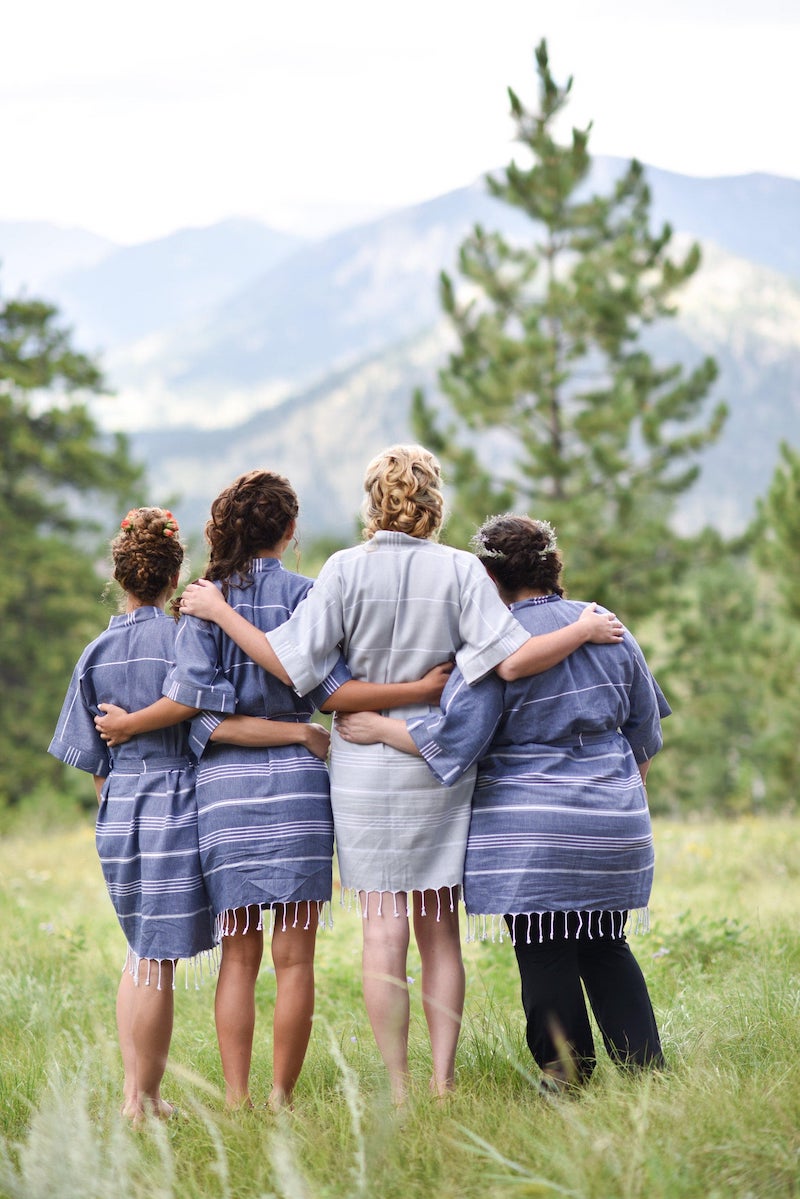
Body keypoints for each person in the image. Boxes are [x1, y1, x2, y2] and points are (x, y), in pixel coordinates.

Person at [177, 446, 625, 1104]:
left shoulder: (342, 571)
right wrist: (583, 629)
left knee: (382, 930)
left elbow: (288, 663)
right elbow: (513, 661)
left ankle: (398, 1084)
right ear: (433, 500)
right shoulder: (461, 572)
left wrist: (221, 613)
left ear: (373, 500)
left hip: (361, 762)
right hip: (433, 761)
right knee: (439, 930)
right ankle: (444, 1081)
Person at [94, 471, 451, 1111]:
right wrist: (315, 732)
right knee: (295, 963)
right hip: (298, 793)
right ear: (289, 533)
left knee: (238, 958)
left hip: (222, 792)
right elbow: (331, 693)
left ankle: (236, 1101)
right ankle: (281, 1099)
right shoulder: (309, 595)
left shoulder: (202, 605)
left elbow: (202, 716)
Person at [336, 513, 670, 1095]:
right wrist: (611, 795)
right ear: (551, 567)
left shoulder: (493, 647)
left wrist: (375, 728)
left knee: (543, 947)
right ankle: (646, 1071)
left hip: (528, 828)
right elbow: (645, 737)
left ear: (490, 580)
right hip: (615, 821)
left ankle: (565, 1074)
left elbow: (455, 740)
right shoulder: (607, 626)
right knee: (605, 944)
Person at [47, 507, 217, 1124]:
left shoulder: (96, 652)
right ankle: (140, 1101)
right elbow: (211, 726)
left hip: (121, 806)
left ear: (122, 577)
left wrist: (118, 801)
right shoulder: (187, 640)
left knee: (141, 951)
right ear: (176, 576)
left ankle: (139, 1095)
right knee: (154, 956)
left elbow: (93, 760)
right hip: (180, 799)